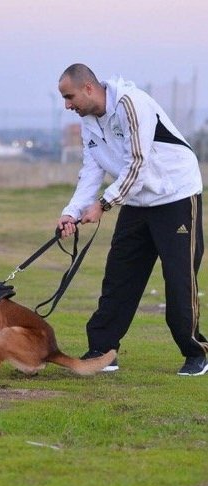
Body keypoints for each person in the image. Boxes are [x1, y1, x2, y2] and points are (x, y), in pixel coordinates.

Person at [57, 63, 208, 376]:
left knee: (179, 280)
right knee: (119, 277)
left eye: (69, 96)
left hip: (175, 194)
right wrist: (71, 211)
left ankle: (197, 352)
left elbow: (137, 163)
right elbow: (92, 170)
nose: (67, 105)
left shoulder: (131, 103)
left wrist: (104, 203)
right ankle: (103, 350)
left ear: (88, 88)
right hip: (136, 201)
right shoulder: (88, 120)